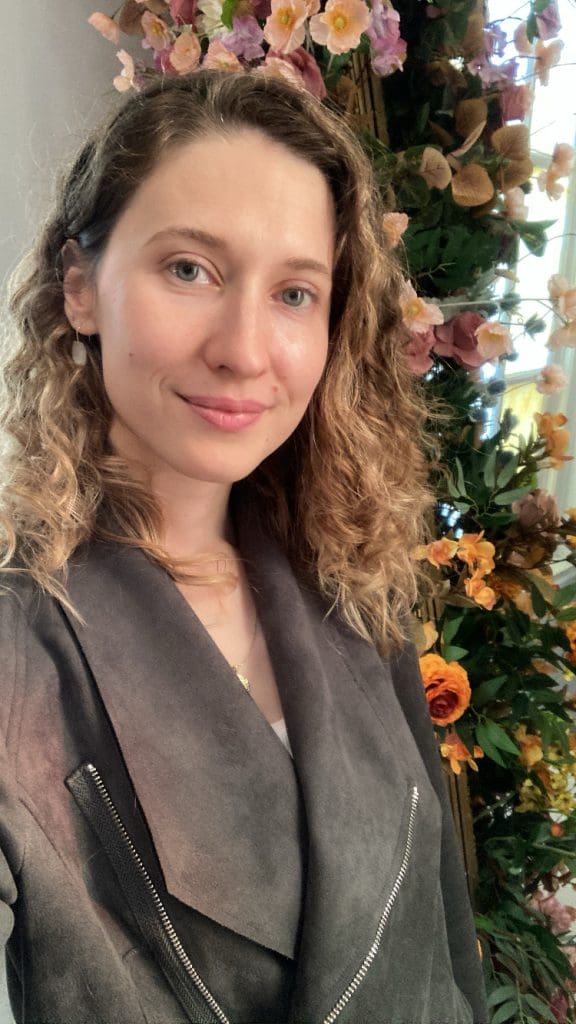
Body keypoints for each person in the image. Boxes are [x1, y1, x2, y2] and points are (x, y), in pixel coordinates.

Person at [0, 70, 487, 1024]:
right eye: (190, 269)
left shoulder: (347, 587)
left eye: (296, 293)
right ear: (80, 289)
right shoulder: (19, 644)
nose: (246, 350)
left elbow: (440, 932)